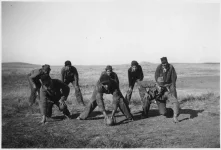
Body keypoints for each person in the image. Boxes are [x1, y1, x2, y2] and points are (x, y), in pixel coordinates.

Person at [154, 57, 180, 123]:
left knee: (174, 96)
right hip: (162, 84)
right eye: (163, 64)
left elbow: (174, 76)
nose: (164, 65)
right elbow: (156, 77)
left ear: (167, 62)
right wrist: (160, 85)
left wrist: (173, 85)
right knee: (161, 95)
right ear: (161, 64)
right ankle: (164, 108)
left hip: (170, 83)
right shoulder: (159, 67)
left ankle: (175, 112)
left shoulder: (171, 67)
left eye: (165, 63)